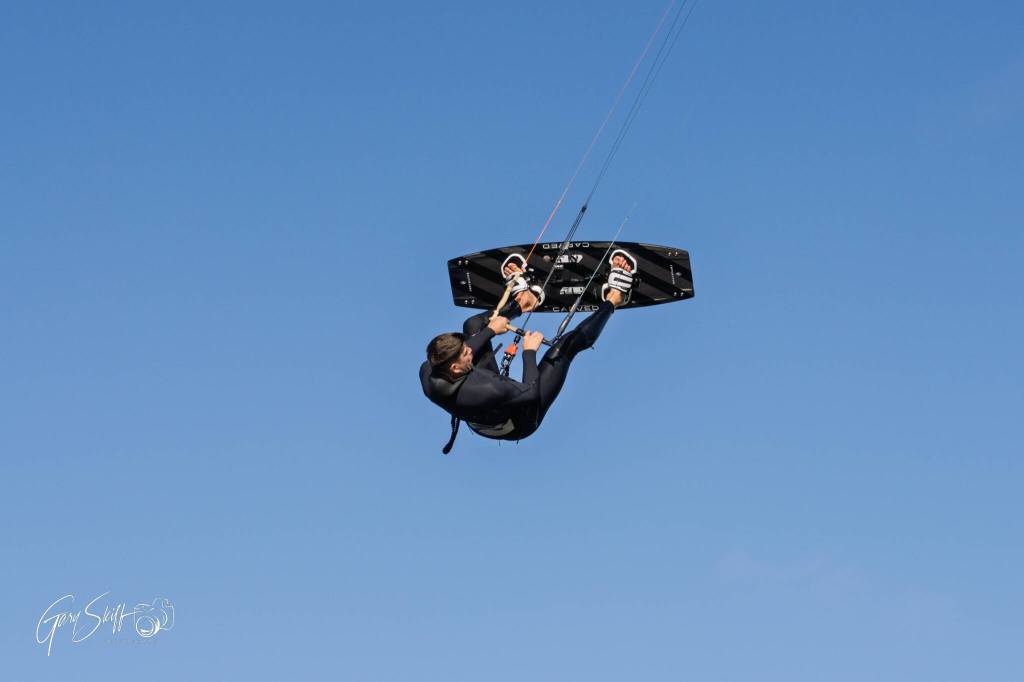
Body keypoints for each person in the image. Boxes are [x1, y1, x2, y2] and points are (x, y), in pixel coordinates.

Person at [420, 251, 636, 449]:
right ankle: (615, 298)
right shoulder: (488, 388)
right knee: (563, 350)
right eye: (465, 353)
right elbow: (530, 393)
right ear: (456, 368)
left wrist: (490, 331)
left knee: (473, 326)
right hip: (519, 421)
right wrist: (529, 352)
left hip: (485, 408)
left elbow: (470, 344)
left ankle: (524, 302)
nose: (469, 350)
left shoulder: (429, 370)